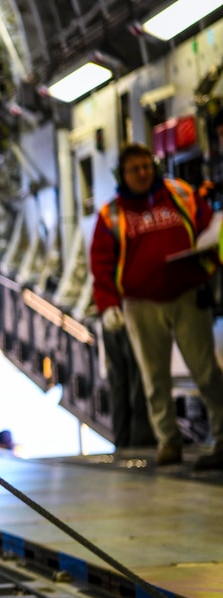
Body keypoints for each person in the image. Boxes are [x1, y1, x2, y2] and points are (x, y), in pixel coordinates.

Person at [91, 142, 223, 468]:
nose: (142, 173)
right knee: (154, 378)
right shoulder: (112, 215)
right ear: (122, 175)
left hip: (186, 295)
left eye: (147, 166)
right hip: (141, 304)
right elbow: (101, 264)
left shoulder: (179, 194)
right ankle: (168, 441)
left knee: (206, 370)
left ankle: (222, 436)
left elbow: (209, 227)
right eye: (135, 169)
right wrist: (108, 306)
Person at [100, 322, 156, 450]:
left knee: (118, 385)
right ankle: (142, 440)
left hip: (110, 318)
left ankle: (122, 443)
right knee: (138, 380)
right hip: (130, 313)